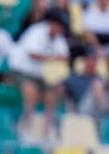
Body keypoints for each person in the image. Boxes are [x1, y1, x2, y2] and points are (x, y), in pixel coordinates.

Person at [8, 12, 70, 141]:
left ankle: (47, 132)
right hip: (22, 70)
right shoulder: (37, 31)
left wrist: (55, 59)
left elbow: (65, 56)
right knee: (31, 92)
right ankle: (25, 128)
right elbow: (33, 55)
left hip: (42, 75)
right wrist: (53, 58)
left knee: (53, 94)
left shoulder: (58, 38)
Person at [60, 50, 109, 115]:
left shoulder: (100, 77)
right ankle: (105, 112)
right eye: (90, 60)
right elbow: (59, 87)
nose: (92, 63)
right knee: (97, 84)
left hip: (101, 103)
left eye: (94, 61)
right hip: (84, 107)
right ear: (85, 62)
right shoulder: (75, 77)